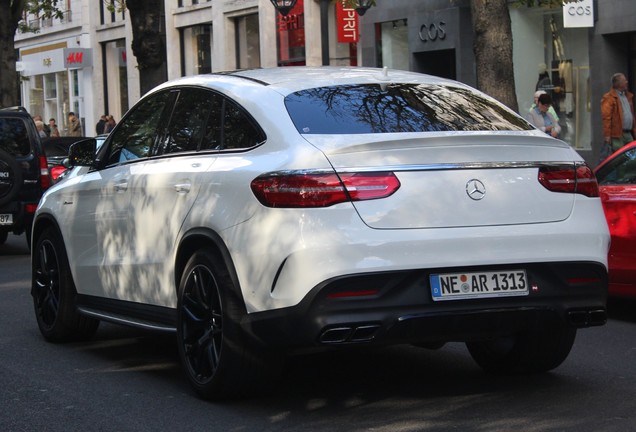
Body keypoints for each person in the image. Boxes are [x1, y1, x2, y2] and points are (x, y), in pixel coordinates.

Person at [601, 72, 635, 154]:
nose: (626, 82)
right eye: (624, 80)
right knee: (619, 156)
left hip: (628, 132)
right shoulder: (609, 97)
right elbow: (606, 117)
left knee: (632, 155)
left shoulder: (627, 96)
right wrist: (607, 135)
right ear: (618, 83)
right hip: (617, 134)